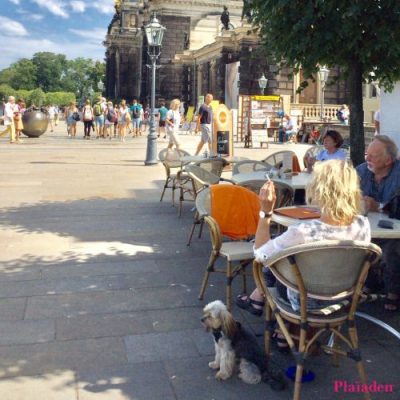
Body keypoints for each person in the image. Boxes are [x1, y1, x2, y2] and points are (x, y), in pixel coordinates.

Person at [237, 160, 371, 318]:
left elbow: (260, 255)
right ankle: (278, 328)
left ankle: (260, 301)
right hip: (344, 296)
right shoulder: (363, 224)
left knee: (278, 259)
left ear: (318, 190)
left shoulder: (303, 231)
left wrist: (265, 213)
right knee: (285, 253)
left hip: (304, 300)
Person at [356, 135, 400, 311]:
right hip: (365, 227)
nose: (367, 158)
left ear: (388, 160)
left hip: (394, 231)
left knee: (392, 249)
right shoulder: (361, 171)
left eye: (373, 156)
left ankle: (394, 292)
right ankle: (370, 282)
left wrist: (380, 207)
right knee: (354, 243)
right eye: (367, 154)